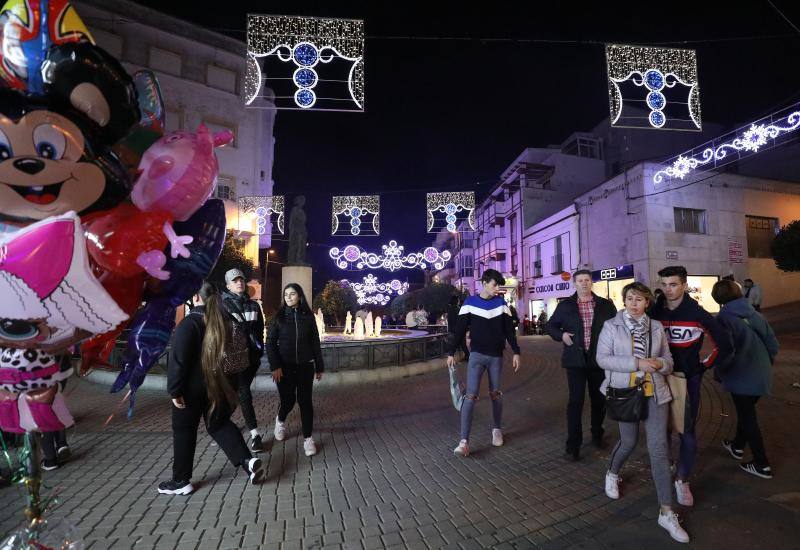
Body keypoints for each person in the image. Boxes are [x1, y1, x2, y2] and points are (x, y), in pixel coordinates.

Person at [597, 282, 689, 543]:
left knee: (659, 449)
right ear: (624, 301)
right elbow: (602, 359)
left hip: (655, 393)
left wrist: (659, 364)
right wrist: (637, 363)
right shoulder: (611, 326)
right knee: (628, 442)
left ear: (647, 302)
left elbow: (669, 362)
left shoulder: (656, 327)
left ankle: (667, 512)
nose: (633, 303)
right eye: (629, 298)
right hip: (626, 393)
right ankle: (612, 473)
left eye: (639, 299)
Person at [159, 282, 263, 495]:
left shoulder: (190, 324)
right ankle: (247, 461)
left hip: (191, 390)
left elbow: (178, 361)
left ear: (196, 297)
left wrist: (174, 391)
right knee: (219, 424)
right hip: (220, 387)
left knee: (184, 431)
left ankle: (181, 481)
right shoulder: (226, 321)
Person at [650, 266, 733, 507]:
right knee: (660, 428)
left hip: (687, 380)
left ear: (684, 285)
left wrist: (702, 367)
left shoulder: (699, 314)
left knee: (686, 431)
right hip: (658, 377)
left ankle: (683, 479)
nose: (668, 289)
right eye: (664, 284)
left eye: (673, 284)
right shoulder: (655, 311)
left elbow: (724, 344)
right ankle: (667, 465)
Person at [446, 269, 521, 456]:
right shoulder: (470, 303)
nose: (497, 288)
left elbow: (509, 331)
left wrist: (516, 352)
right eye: (495, 284)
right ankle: (464, 442)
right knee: (470, 396)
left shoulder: (501, 303)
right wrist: (451, 352)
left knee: (496, 394)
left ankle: (497, 430)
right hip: (477, 355)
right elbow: (460, 329)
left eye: (498, 285)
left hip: (496, 356)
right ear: (485, 283)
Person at [546, 269, 617, 460]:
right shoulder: (566, 305)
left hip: (598, 360)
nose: (584, 283)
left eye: (587, 280)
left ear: (591, 283)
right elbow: (551, 326)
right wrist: (561, 335)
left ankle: (597, 434)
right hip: (575, 361)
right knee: (575, 402)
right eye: (580, 280)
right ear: (574, 284)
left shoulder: (605, 305)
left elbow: (617, 328)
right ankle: (573, 446)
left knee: (598, 400)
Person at [712, 280, 778, 479]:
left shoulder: (724, 318)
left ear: (719, 298)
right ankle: (737, 446)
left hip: (741, 375)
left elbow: (727, 351)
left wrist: (719, 371)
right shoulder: (754, 313)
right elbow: (772, 343)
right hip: (761, 372)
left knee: (748, 418)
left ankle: (761, 463)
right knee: (746, 412)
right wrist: (766, 364)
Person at [267, 283, 324, 457]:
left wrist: (319, 366)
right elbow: (270, 343)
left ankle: (308, 439)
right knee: (288, 401)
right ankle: (280, 420)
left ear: (299, 296)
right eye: (286, 295)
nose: (289, 297)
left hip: (305, 366)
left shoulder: (308, 317)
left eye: (292, 294)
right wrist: (275, 366)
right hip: (284, 367)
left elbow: (315, 342)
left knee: (305, 402)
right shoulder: (279, 316)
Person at [221, 268, 266, 453]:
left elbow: (260, 328)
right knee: (243, 392)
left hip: (251, 359)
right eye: (235, 280)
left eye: (241, 279)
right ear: (228, 285)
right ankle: (255, 435)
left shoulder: (254, 306)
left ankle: (222, 427)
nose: (239, 282)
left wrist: (259, 349)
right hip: (233, 359)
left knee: (239, 393)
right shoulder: (222, 306)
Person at [41, 354, 73, 471]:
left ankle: (50, 459)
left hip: (37, 378)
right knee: (56, 407)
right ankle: (61, 444)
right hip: (58, 371)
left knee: (43, 415)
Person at [447, 295, 470, 362]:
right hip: (459, 329)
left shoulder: (451, 309)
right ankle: (467, 356)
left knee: (458, 343)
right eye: (458, 300)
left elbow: (451, 321)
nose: (459, 301)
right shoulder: (458, 309)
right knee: (462, 343)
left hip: (455, 329)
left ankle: (467, 356)